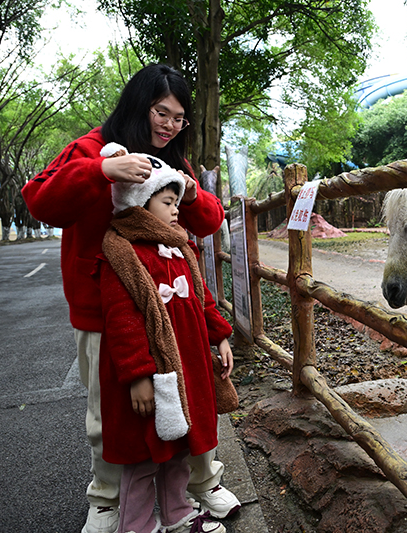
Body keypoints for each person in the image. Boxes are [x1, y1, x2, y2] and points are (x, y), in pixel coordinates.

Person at [22, 64, 241, 533]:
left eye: (179, 118)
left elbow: (208, 218)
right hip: (103, 311)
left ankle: (203, 485)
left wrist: (185, 189)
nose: (169, 125)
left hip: (176, 311)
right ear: (138, 105)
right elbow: (39, 200)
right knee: (110, 415)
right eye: (162, 112)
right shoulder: (90, 148)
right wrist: (101, 170)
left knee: (191, 398)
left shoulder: (173, 162)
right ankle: (107, 501)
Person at [98, 160, 232, 533]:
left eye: (176, 202)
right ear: (140, 204)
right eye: (168, 202)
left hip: (184, 367)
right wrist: (138, 375)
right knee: (143, 457)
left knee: (178, 449)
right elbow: (120, 321)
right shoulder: (122, 252)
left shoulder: (181, 249)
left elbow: (202, 298)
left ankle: (177, 512)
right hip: (150, 373)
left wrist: (218, 335)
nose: (176, 210)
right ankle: (137, 525)